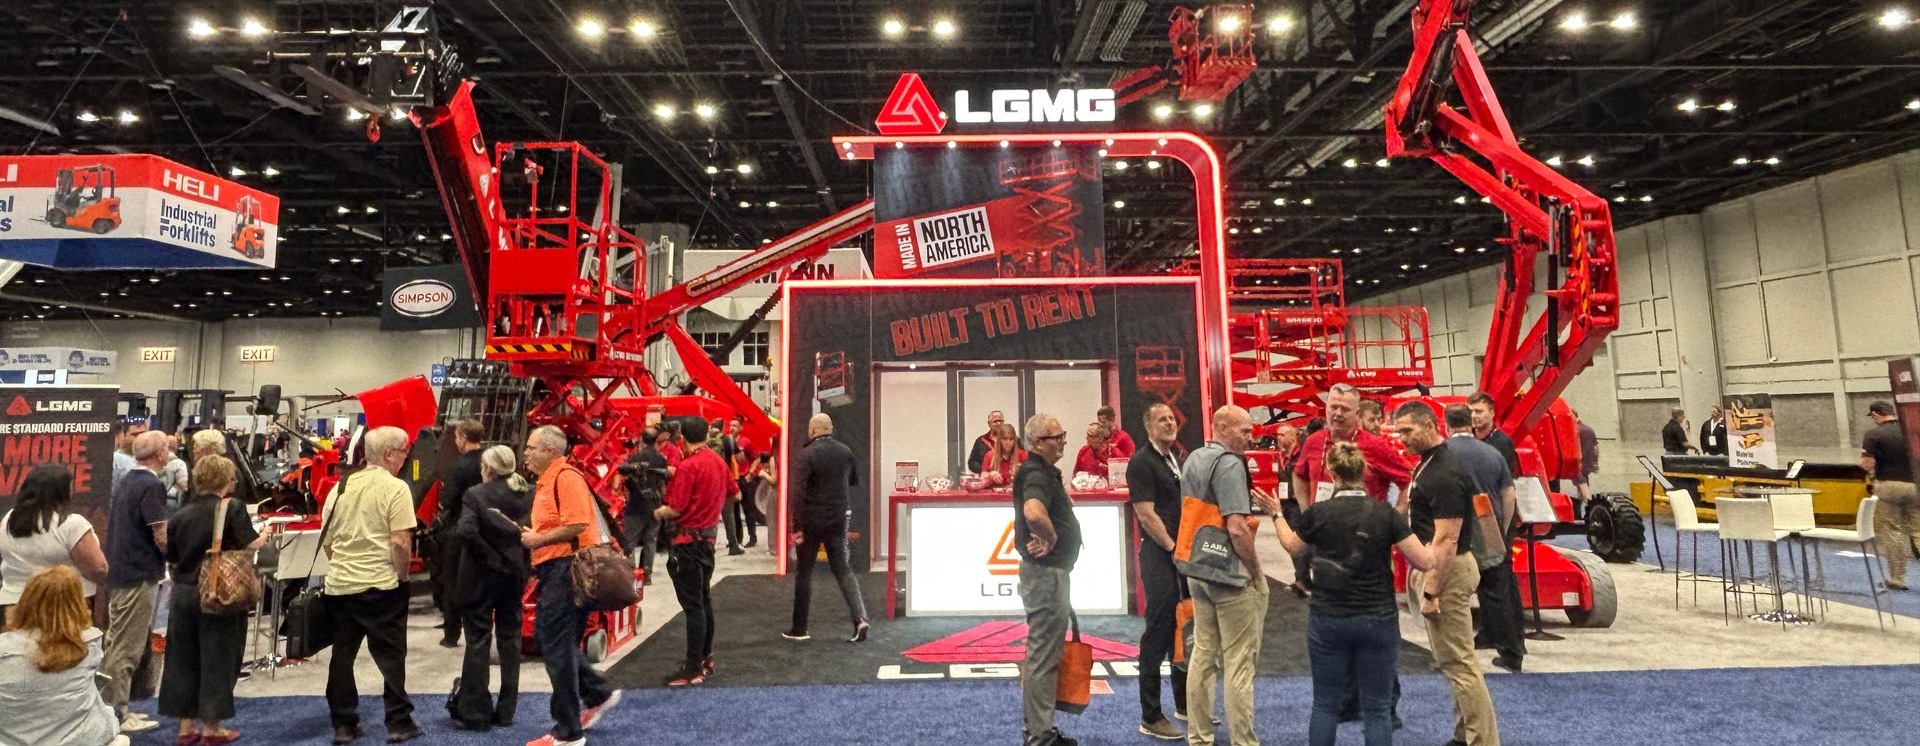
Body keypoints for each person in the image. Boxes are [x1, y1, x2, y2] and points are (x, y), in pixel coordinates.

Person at [1268, 442, 1436, 746]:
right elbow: (1424, 561)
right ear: (1365, 471)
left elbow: (1293, 547)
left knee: (1325, 704)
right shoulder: (1385, 514)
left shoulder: (1319, 513)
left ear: (1331, 472)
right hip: (1378, 619)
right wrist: (1444, 540)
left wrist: (1277, 515)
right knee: (1377, 709)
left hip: (1328, 618)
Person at [1394, 402, 1500, 746]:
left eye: (1407, 431)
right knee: (1456, 660)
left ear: (1428, 425)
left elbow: (1447, 539)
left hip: (1447, 571)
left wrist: (1431, 591)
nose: (1402, 438)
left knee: (1459, 663)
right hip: (1443, 567)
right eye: (1400, 431)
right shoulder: (1431, 465)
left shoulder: (1442, 472)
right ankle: (1463, 734)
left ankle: (1482, 740)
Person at [320, 426, 424, 744]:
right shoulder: (396, 489)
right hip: (381, 585)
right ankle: (398, 722)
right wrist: (403, 576)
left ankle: (344, 724)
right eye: (405, 451)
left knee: (342, 655)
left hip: (340, 584)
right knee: (391, 657)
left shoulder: (340, 487)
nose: (407, 457)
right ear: (390, 454)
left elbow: (327, 539)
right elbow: (401, 542)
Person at [160, 454, 271, 746]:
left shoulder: (181, 513)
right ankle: (212, 727)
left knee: (183, 660)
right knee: (217, 658)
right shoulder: (230, 508)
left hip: (183, 593)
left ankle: (185, 727)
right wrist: (266, 535)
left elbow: (170, 554)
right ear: (225, 480)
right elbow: (249, 544)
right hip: (218, 593)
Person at [520, 426, 621, 744]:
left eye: (532, 447)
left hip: (566, 571)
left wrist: (537, 538)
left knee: (555, 644)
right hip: (557, 570)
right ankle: (595, 693)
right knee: (556, 643)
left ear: (550, 450)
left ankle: (568, 732)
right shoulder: (549, 481)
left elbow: (578, 522)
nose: (526, 452)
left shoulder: (565, 477)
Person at [1182, 405, 1267, 746]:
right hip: (1228, 574)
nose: (1249, 438)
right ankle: (1243, 742)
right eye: (1244, 431)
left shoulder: (1194, 458)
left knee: (1203, 653)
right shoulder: (1230, 464)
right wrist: (1257, 572)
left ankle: (1199, 736)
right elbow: (1237, 528)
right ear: (1221, 427)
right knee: (1239, 661)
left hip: (1197, 566)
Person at [1292, 385, 1413, 597]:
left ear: (1357, 413)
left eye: (1344, 409)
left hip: (1365, 543)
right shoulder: (1314, 442)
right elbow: (1299, 474)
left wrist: (1396, 516)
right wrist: (1306, 511)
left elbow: (1408, 479)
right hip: (1324, 541)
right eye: (1333, 407)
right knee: (1328, 600)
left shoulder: (1375, 446)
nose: (1337, 414)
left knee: (1368, 600)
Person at [449, 445, 533, 732]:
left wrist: (490, 557)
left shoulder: (475, 494)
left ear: (487, 469)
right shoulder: (528, 493)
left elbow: (466, 531)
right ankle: (507, 710)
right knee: (510, 643)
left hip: (479, 579)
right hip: (513, 577)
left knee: (478, 641)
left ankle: (475, 712)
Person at [0, 566, 125, 746]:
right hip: (84, 739)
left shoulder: (3, 647)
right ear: (77, 602)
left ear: (26, 600)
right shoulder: (90, 643)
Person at [654, 418, 737, 687]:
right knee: (703, 600)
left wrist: (658, 511)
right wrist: (710, 503)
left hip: (686, 542)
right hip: (708, 540)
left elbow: (675, 508)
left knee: (693, 607)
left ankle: (692, 669)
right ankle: (705, 658)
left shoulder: (688, 467)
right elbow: (735, 495)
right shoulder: (717, 462)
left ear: (682, 438)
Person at [1014, 413, 1081, 746]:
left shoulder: (1039, 472)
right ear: (1039, 442)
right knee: (1043, 655)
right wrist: (1052, 538)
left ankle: (1039, 729)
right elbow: (1033, 512)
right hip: (1046, 574)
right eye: (1057, 436)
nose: (1063, 441)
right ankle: (1040, 735)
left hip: (1048, 574)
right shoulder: (1037, 473)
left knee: (1041, 652)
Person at [1444, 404, 1525, 673]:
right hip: (1488, 519)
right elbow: (1509, 495)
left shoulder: (1442, 453)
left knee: (1452, 594)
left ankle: (1454, 653)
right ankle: (1512, 653)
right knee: (1496, 592)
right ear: (1471, 423)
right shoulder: (1493, 453)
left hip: (1455, 525)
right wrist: (1500, 529)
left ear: (1446, 425)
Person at [101, 431, 173, 733]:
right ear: (159, 454)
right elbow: (160, 534)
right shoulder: (150, 485)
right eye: (167, 449)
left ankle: (114, 708)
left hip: (120, 572)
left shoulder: (129, 480)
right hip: (138, 574)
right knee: (126, 647)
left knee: (116, 642)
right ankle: (117, 713)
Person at [1125, 403, 1186, 740]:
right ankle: (1150, 715)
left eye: (1171, 418)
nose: (1168, 423)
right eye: (1161, 419)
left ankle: (1184, 704)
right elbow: (1146, 514)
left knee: (1181, 628)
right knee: (1158, 632)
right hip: (1161, 554)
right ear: (1148, 426)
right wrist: (1172, 548)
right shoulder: (1142, 462)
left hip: (1178, 555)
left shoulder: (1172, 458)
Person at [783, 414, 870, 643]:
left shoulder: (806, 454)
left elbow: (798, 493)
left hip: (811, 520)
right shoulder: (845, 451)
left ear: (812, 431)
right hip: (838, 519)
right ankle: (860, 619)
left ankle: (799, 628)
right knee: (842, 568)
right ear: (830, 428)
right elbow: (853, 481)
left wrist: (795, 527)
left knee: (804, 572)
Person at [0, 465, 109, 620]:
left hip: (15, 605)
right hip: (62, 608)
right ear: (62, 492)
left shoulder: (9, 519)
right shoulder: (72, 524)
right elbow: (98, 568)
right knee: (61, 645)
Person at [430, 419, 487, 649]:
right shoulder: (491, 461)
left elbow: (446, 501)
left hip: (459, 530)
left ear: (463, 438)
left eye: (456, 437)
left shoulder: (457, 467)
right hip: (487, 530)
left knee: (452, 582)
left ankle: (451, 634)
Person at [1863, 401, 1918, 591]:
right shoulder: (1911, 430)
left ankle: (1897, 578)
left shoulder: (1874, 434)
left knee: (1893, 530)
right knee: (1918, 530)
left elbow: (1867, 463)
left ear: (1876, 415)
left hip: (1889, 486)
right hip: (1915, 485)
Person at [619, 427, 669, 583]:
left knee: (630, 541)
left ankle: (632, 574)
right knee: (651, 539)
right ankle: (647, 574)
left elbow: (624, 476)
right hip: (655, 504)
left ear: (642, 439)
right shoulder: (661, 459)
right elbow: (663, 483)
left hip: (636, 505)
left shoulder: (635, 458)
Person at [708, 419, 749, 557]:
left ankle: (709, 547)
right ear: (723, 427)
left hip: (710, 484)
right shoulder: (728, 440)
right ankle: (733, 545)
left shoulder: (705, 439)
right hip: (724, 481)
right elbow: (740, 458)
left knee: (712, 517)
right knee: (728, 516)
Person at [1466, 393, 1522, 476]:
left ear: (1492, 413)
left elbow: (1508, 478)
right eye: (1470, 412)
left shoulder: (1503, 443)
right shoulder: (1465, 440)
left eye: (1479, 412)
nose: (1473, 416)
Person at [732, 418, 764, 550]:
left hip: (744, 479)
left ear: (740, 428)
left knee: (748, 510)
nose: (732, 427)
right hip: (732, 480)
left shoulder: (745, 442)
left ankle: (752, 537)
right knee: (734, 512)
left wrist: (750, 473)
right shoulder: (727, 441)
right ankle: (736, 540)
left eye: (735, 425)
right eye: (730, 425)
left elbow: (757, 458)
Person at [981, 423, 1028, 488]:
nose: (1008, 442)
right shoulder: (989, 455)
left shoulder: (1023, 455)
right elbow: (982, 479)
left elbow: (1031, 477)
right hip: (994, 495)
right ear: (999, 440)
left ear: (1015, 441)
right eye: (1005, 439)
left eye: (1011, 439)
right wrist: (990, 475)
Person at [967, 410, 1008, 475]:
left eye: (1000, 421)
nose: (998, 423)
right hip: (986, 478)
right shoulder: (981, 441)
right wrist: (985, 470)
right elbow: (972, 463)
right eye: (995, 421)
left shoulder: (1012, 440)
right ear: (989, 424)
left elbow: (1023, 459)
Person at [1573, 411, 1599, 503]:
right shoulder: (1589, 429)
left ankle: (1588, 502)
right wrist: (1595, 461)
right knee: (1583, 481)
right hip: (1589, 460)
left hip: (1578, 460)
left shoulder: (1574, 429)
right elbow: (1595, 447)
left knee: (1582, 482)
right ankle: (1582, 501)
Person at [160, 434, 191, 507]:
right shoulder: (179, 463)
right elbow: (183, 486)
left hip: (156, 500)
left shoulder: (157, 460)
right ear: (176, 446)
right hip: (170, 502)